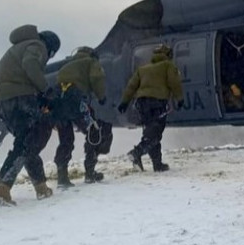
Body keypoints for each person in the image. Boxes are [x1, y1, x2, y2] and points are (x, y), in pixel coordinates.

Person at [0, 24, 61, 206]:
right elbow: (30, 64)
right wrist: (45, 90)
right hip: (20, 98)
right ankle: (3, 185)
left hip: (4, 102)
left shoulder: (17, 47)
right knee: (34, 137)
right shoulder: (37, 45)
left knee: (27, 140)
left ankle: (40, 187)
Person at [118, 44, 183, 172]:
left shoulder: (142, 69)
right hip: (157, 103)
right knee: (156, 133)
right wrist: (179, 98)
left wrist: (124, 102)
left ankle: (157, 164)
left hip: (142, 104)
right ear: (168, 55)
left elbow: (131, 86)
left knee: (150, 132)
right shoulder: (168, 65)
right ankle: (136, 153)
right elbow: (174, 82)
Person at [51, 46, 109, 186]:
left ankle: (62, 176)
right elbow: (97, 77)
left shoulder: (67, 65)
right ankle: (90, 172)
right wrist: (101, 96)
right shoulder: (90, 61)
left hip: (58, 101)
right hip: (77, 100)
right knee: (93, 133)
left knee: (66, 139)